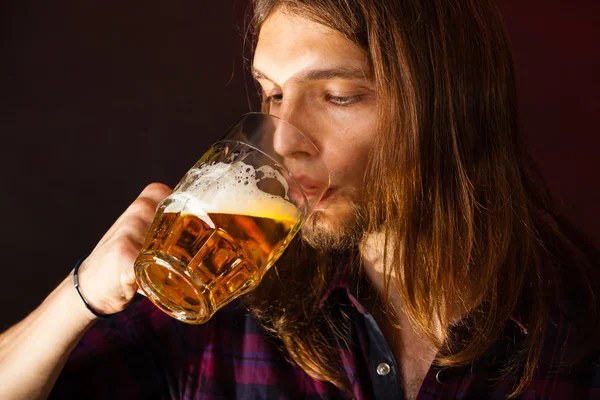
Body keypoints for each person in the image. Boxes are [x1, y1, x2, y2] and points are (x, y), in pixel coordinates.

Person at [1, 0, 599, 399]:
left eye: (337, 95)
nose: (283, 139)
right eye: (273, 94)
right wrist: (79, 296)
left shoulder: (580, 321)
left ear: (454, 107)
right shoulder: (221, 299)